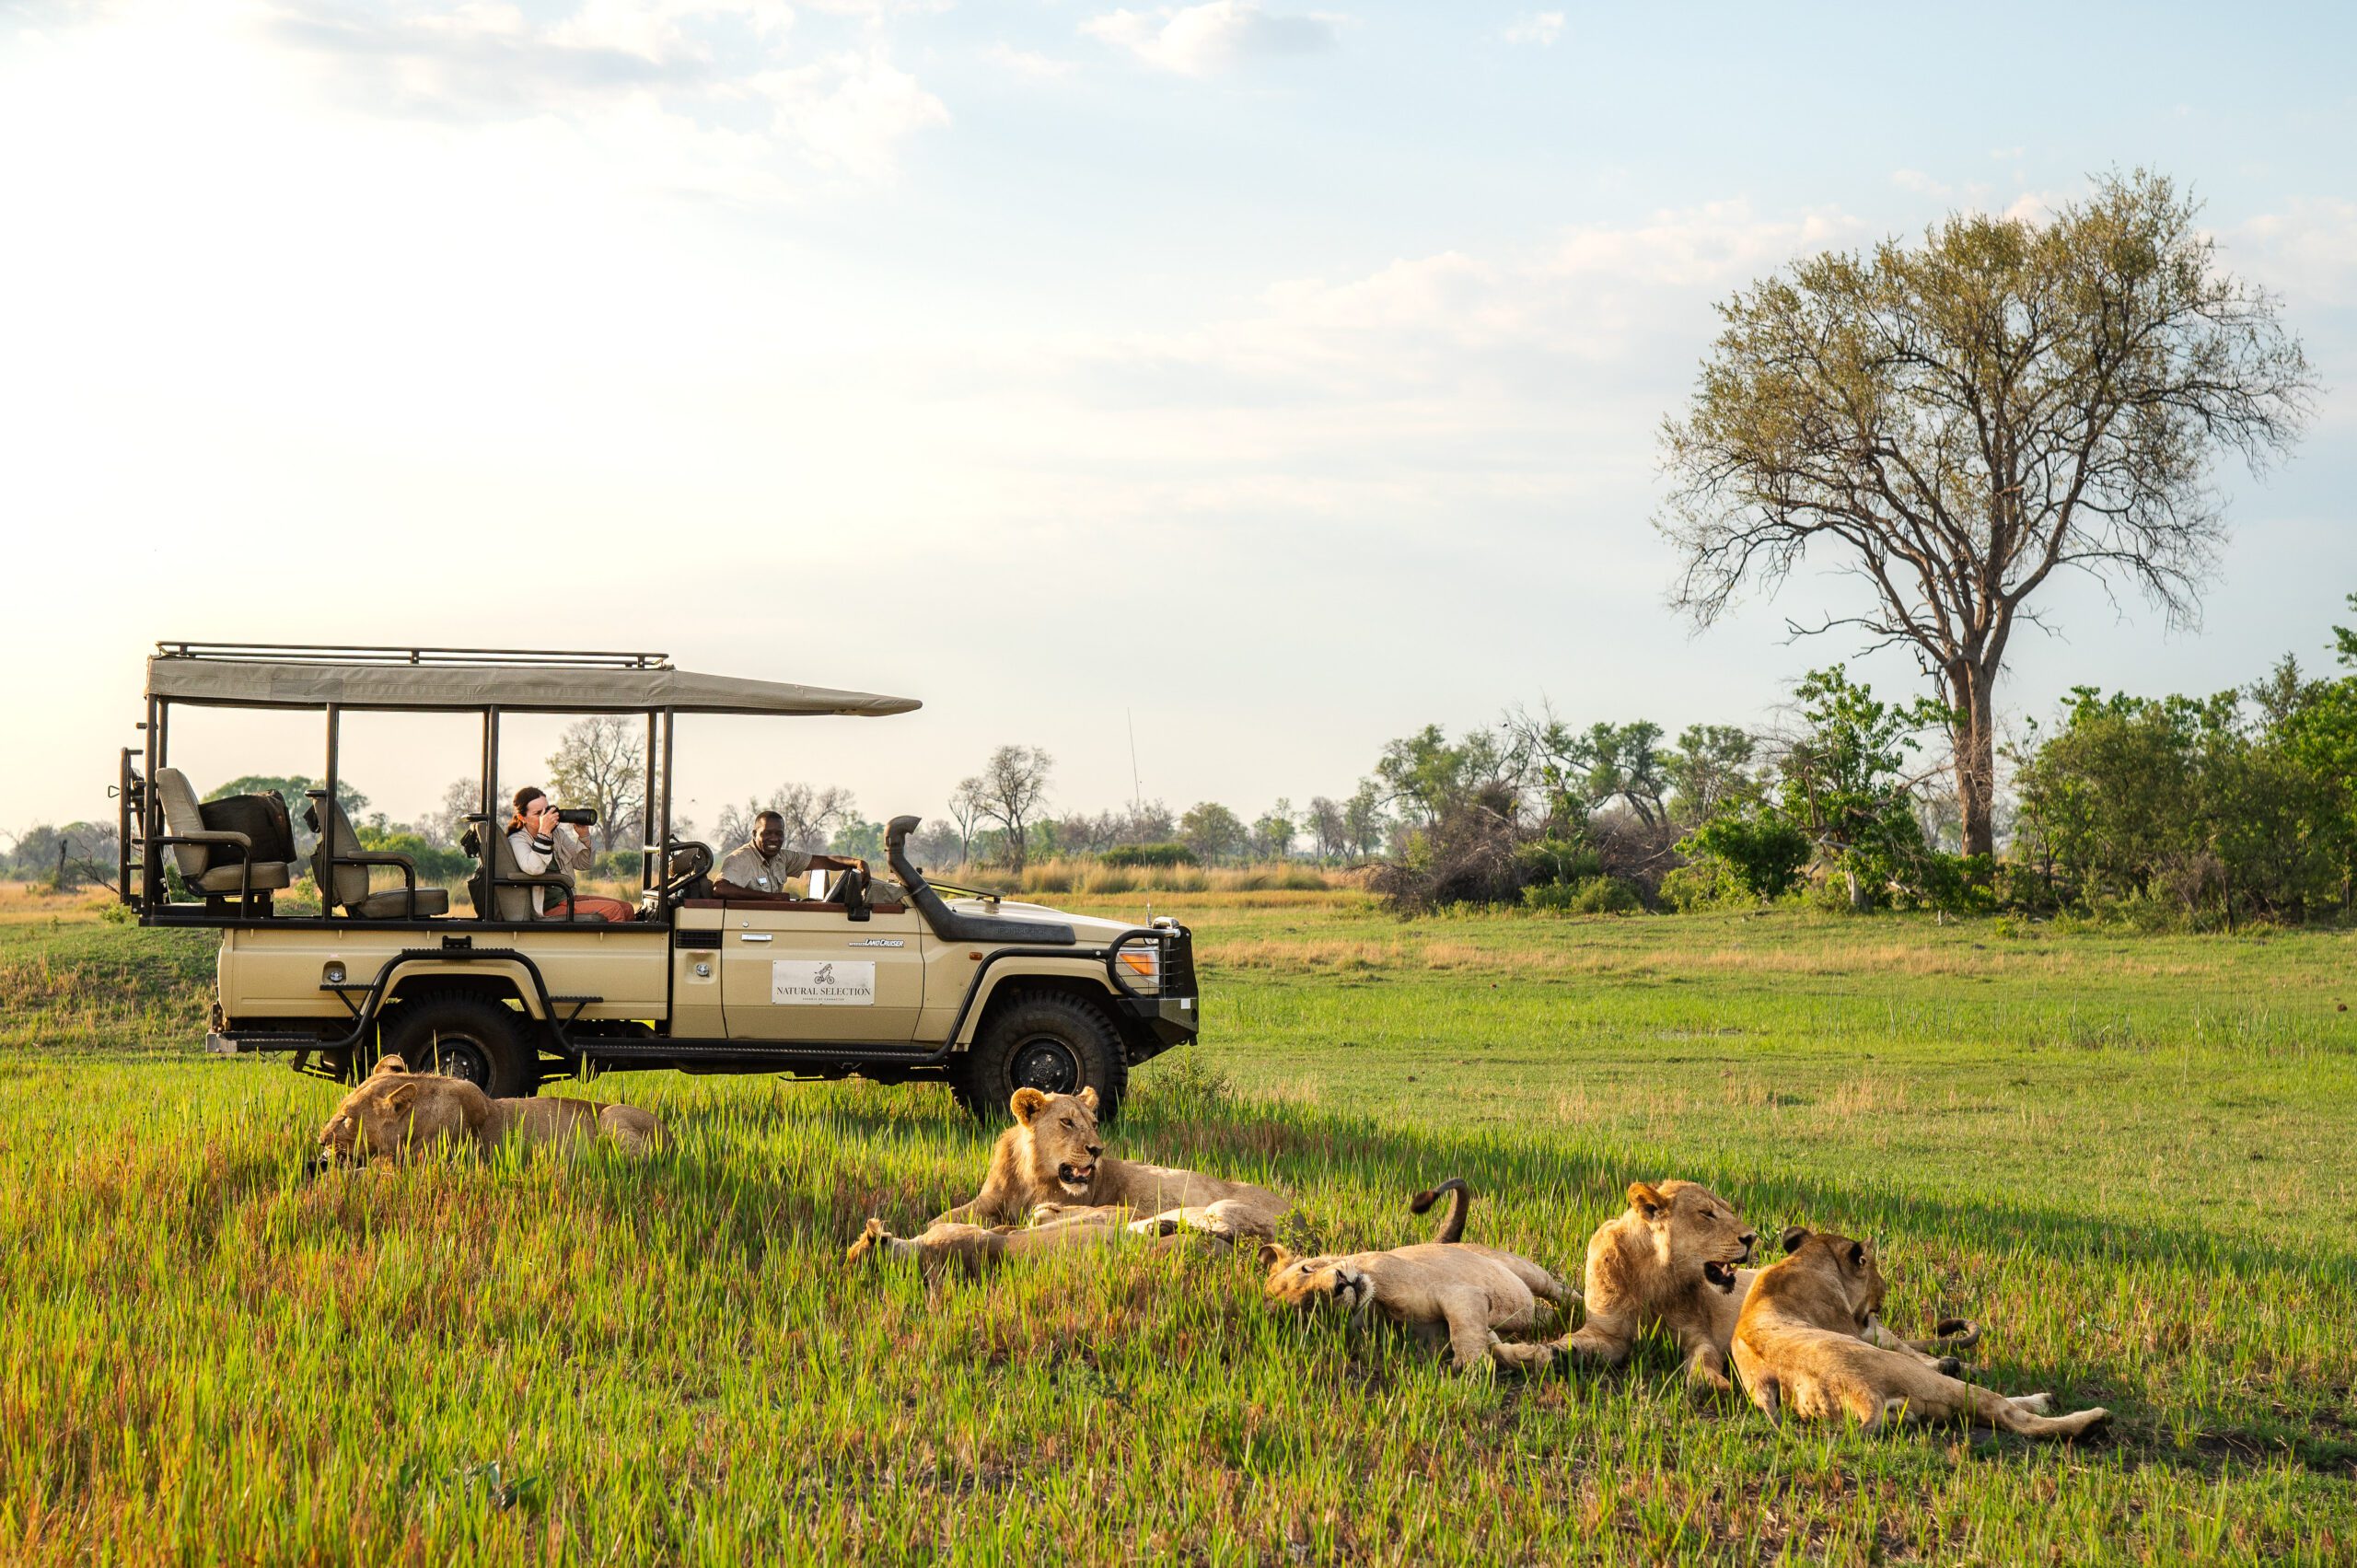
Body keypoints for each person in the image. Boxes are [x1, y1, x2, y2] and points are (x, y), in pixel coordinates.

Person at [507, 786, 635, 922]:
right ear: (522, 818)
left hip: (567, 897)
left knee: (627, 908)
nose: (545, 817)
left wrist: (584, 836)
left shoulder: (557, 835)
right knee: (613, 910)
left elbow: (584, 863)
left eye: (547, 811)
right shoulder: (517, 840)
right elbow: (535, 868)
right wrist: (544, 832)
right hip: (546, 908)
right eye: (538, 813)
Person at [713, 809, 871, 900]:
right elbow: (720, 889)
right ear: (755, 834)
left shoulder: (782, 858)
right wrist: (770, 898)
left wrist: (856, 863)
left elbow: (823, 861)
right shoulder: (740, 859)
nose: (774, 839)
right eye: (767, 833)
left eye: (779, 834)